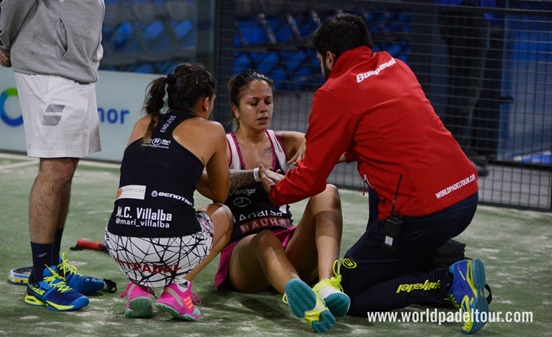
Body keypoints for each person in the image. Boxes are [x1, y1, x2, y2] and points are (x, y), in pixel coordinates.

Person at [259, 14, 490, 334]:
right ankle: (437, 261)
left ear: (328, 57)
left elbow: (311, 180)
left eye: (320, 60)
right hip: (465, 196)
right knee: (385, 197)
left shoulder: (333, 92)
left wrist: (276, 191)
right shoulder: (397, 65)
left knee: (353, 291)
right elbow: (393, 132)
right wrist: (350, 152)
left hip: (421, 214)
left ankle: (448, 280)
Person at [211, 69, 349, 333]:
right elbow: (211, 179)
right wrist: (255, 175)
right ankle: (303, 301)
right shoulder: (224, 146)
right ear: (236, 109)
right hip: (244, 256)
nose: (263, 109)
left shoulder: (288, 143)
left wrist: (319, 145)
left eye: (268, 101)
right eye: (253, 103)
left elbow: (341, 150)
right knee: (264, 238)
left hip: (287, 244)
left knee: (327, 190)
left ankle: (327, 285)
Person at [0, 0, 106, 311]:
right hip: (47, 66)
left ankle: (53, 266)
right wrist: (5, 41)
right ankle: (41, 277)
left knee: (67, 167)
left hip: (79, 66)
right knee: (56, 167)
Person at [104, 63, 233, 321]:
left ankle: (138, 286)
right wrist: (191, 171)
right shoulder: (213, 130)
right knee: (225, 215)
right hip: (171, 246)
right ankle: (178, 288)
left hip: (118, 245)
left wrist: (181, 170)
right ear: (206, 103)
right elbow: (220, 194)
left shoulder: (144, 123)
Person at [436, 0, 497, 176]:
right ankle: (455, 156)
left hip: (472, 14)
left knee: (465, 91)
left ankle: (457, 151)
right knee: (465, 92)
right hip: (463, 15)